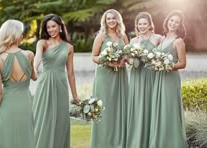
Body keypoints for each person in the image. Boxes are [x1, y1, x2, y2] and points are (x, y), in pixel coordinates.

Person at [33, 14, 81, 148]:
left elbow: (71, 73)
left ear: (60, 26)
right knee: (43, 119)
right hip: (45, 84)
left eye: (53, 26)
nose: (51, 30)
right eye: (48, 27)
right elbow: (37, 58)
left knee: (60, 121)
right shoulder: (42, 43)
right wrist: (34, 69)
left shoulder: (69, 47)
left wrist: (75, 96)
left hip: (61, 86)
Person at [0, 19, 36, 148]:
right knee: (27, 138)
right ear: (15, 35)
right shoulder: (29, 55)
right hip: (25, 103)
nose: (22, 36)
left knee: (8, 140)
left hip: (7, 105)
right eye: (21, 33)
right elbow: (34, 77)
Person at [149, 10, 188, 148]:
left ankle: (172, 142)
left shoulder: (179, 42)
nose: (173, 23)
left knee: (168, 108)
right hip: (159, 78)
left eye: (176, 22)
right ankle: (160, 141)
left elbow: (183, 64)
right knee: (159, 108)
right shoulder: (163, 38)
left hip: (170, 78)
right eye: (171, 20)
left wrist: (167, 66)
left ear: (179, 25)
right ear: (167, 21)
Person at [90, 9, 129, 148]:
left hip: (120, 76)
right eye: (108, 19)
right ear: (105, 21)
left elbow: (127, 55)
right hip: (104, 76)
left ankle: (119, 141)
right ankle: (102, 142)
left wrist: (124, 61)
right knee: (105, 107)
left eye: (113, 18)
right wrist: (109, 62)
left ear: (118, 20)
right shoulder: (101, 36)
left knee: (118, 107)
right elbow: (94, 56)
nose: (111, 21)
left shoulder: (123, 36)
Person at [125, 12, 162, 148]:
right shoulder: (134, 41)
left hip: (152, 76)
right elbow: (128, 60)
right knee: (139, 106)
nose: (142, 26)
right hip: (137, 77)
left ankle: (152, 141)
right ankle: (137, 141)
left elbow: (166, 51)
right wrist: (132, 58)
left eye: (144, 23)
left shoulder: (158, 38)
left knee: (152, 106)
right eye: (139, 24)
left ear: (150, 24)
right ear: (137, 25)